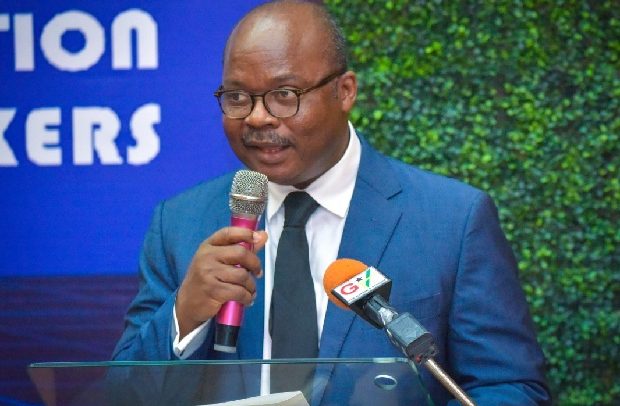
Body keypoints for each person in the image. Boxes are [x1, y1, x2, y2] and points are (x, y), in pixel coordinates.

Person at [112, 1, 551, 404]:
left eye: (284, 95)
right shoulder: (181, 223)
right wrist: (185, 314)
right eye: (237, 97)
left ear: (345, 91)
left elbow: (509, 387)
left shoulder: (452, 220)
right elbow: (122, 394)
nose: (257, 117)